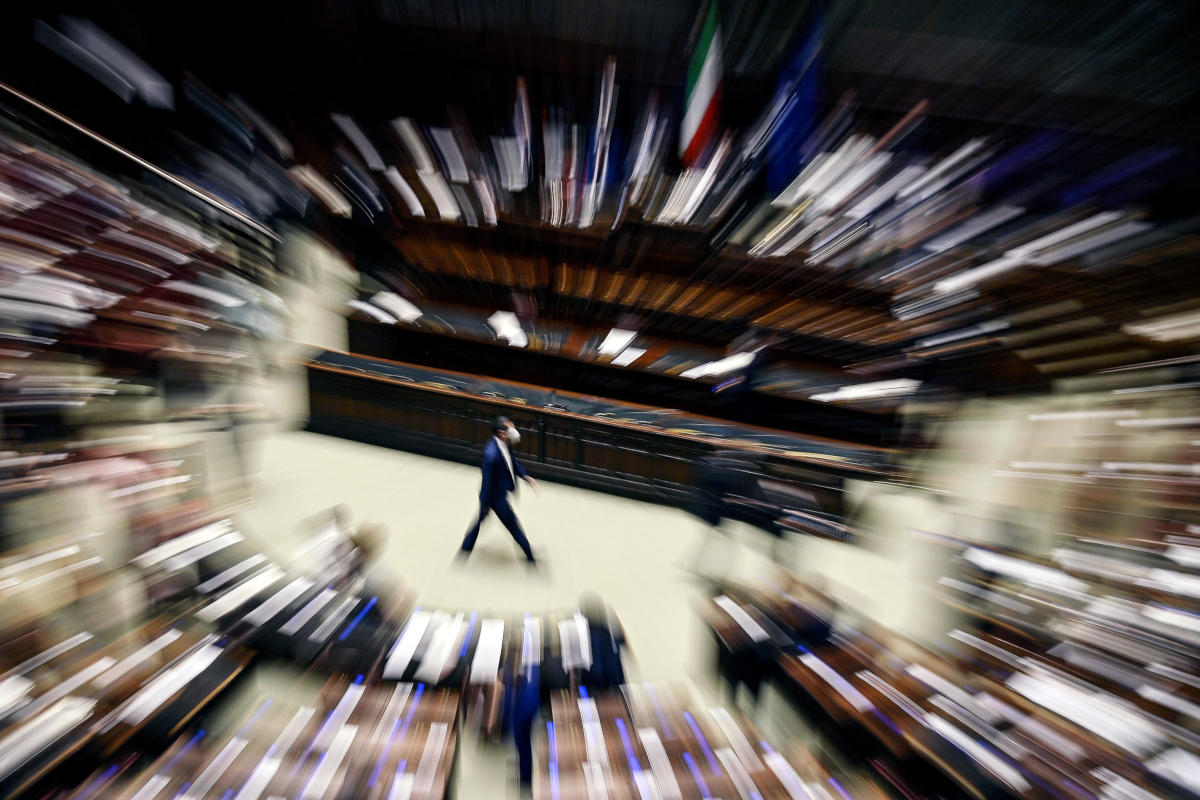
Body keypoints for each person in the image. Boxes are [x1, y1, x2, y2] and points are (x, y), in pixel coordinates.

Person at [459, 416, 539, 564]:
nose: (514, 431)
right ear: (502, 433)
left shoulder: (504, 442)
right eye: (511, 428)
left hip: (498, 493)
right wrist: (485, 503)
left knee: (479, 522)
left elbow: (512, 461)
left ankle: (465, 549)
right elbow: (487, 481)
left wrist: (525, 475)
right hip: (495, 498)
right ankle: (530, 555)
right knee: (513, 525)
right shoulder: (491, 455)